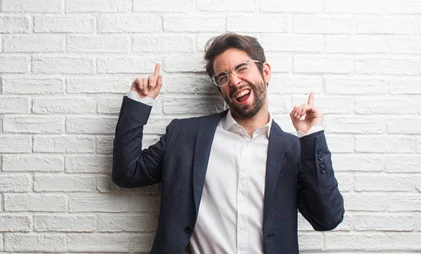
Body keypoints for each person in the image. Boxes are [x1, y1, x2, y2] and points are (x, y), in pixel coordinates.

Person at [112, 32, 344, 254]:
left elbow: (327, 218)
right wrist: (138, 105)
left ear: (265, 72)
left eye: (242, 68)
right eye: (223, 77)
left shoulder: (293, 149)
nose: (233, 81)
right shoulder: (184, 135)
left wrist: (311, 137)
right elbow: (127, 173)